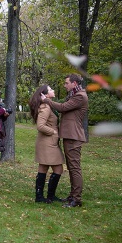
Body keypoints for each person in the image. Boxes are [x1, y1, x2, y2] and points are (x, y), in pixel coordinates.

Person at [41, 73, 88, 207]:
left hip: (74, 136)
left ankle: (76, 199)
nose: (65, 85)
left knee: (74, 168)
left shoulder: (80, 96)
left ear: (74, 83)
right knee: (72, 167)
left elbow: (62, 108)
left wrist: (46, 100)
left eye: (67, 83)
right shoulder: (74, 95)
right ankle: (73, 196)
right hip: (70, 136)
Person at [29, 85, 65, 203]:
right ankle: (44, 196)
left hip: (48, 142)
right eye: (50, 89)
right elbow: (40, 126)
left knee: (44, 168)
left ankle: (45, 196)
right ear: (45, 94)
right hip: (47, 143)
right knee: (58, 169)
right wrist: (53, 132)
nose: (53, 90)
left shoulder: (49, 105)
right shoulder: (45, 107)